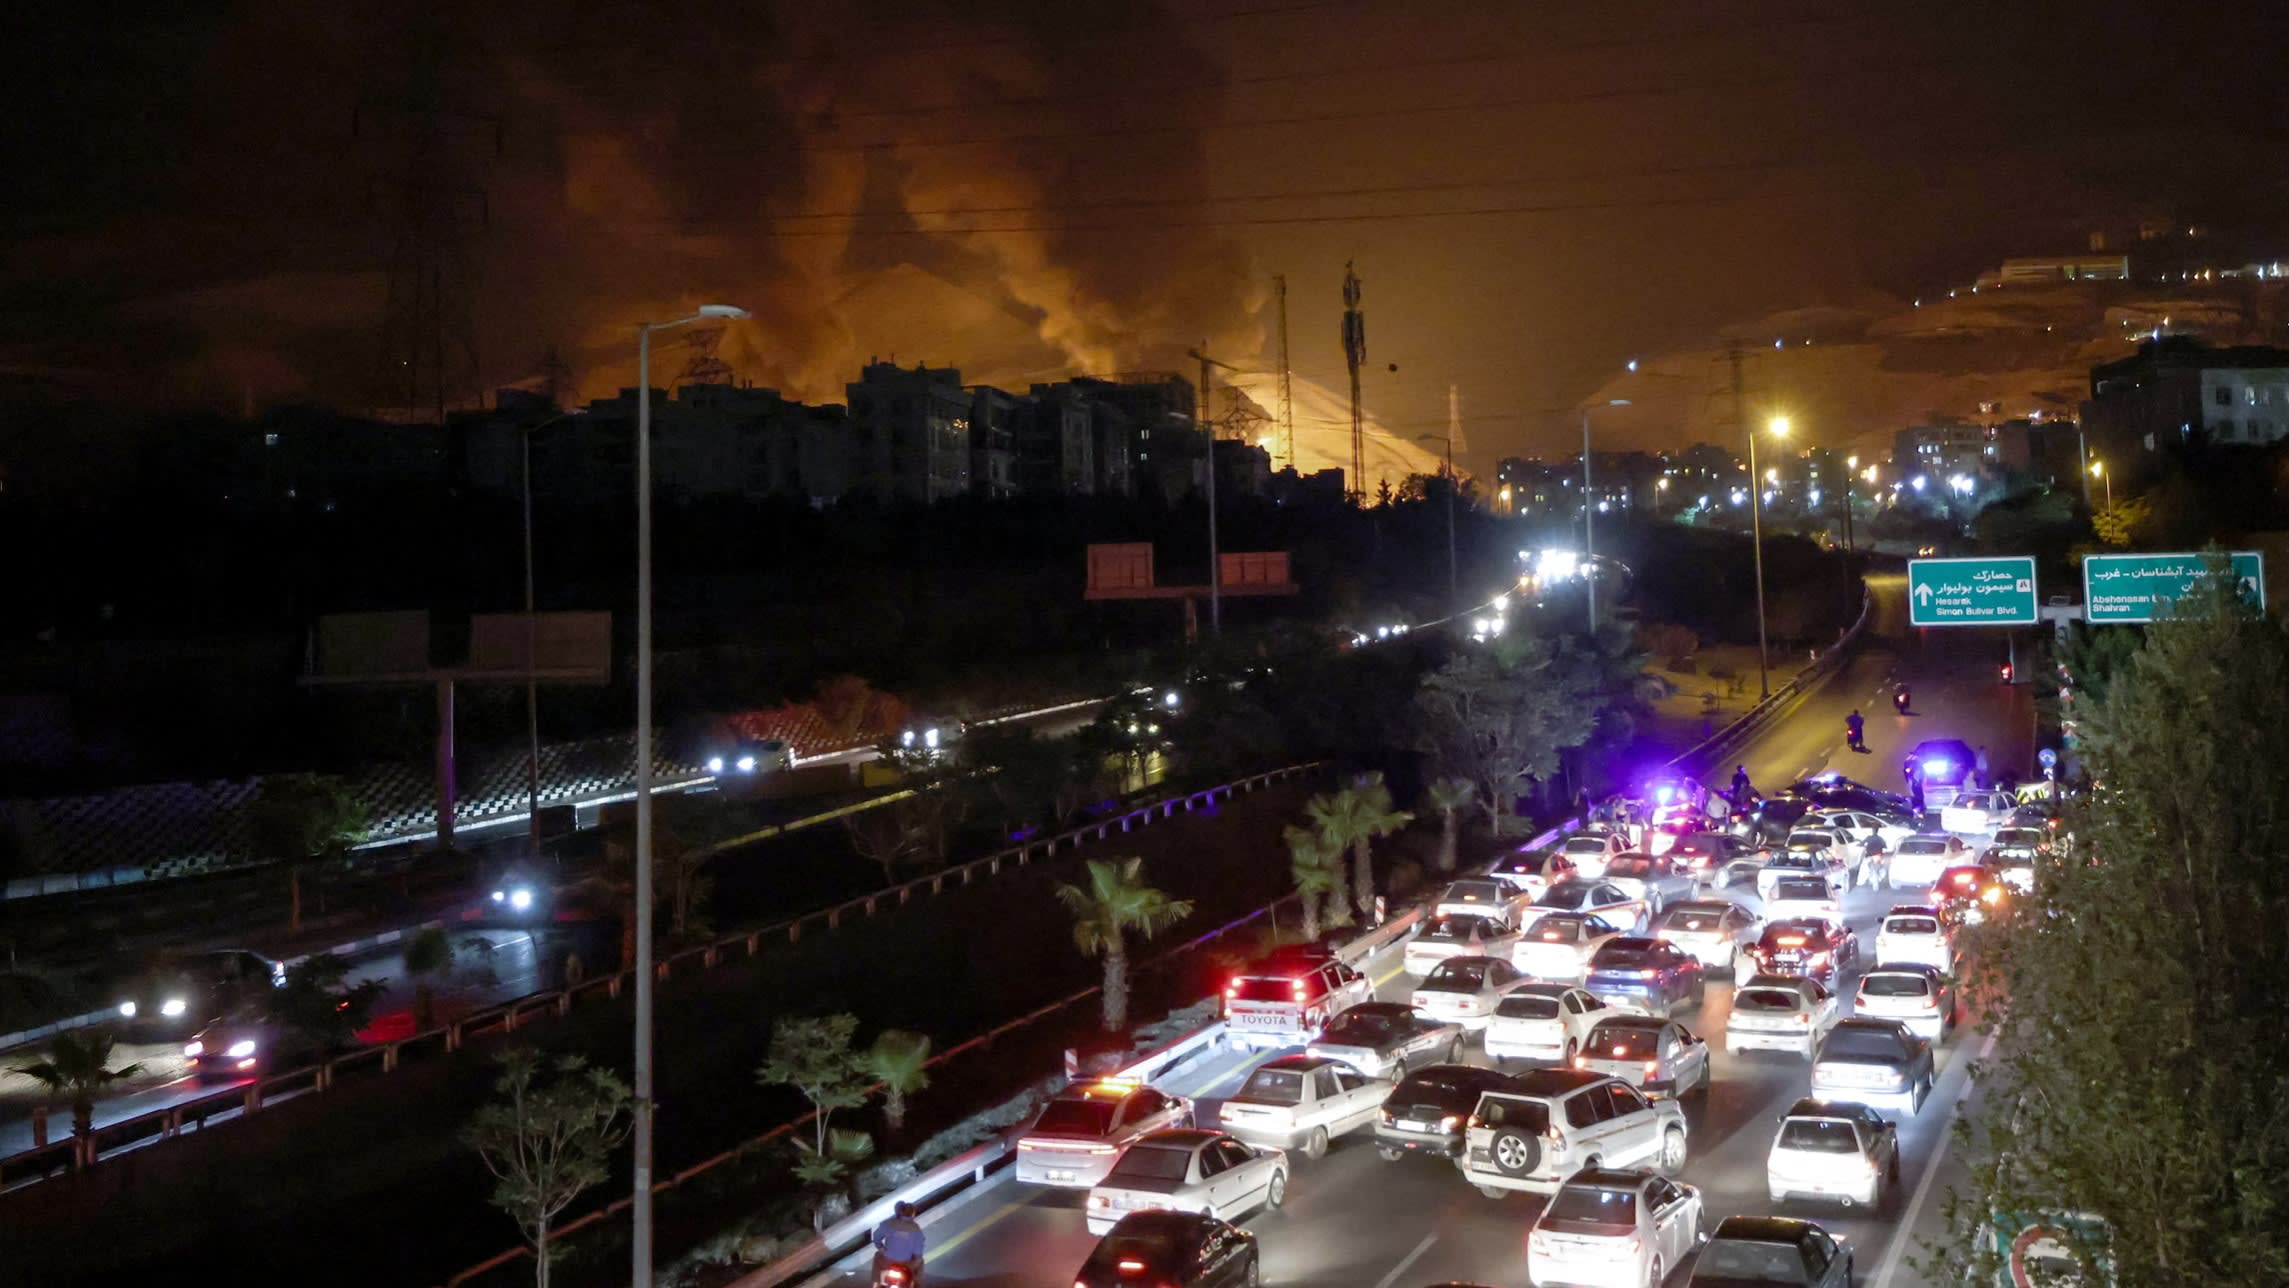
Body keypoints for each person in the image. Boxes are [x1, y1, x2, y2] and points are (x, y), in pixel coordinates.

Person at [873, 1200, 926, 1284]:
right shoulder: (916, 1229)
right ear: (913, 1214)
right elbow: (918, 1252)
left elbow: (876, 1237)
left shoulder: (889, 1223)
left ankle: (875, 1284)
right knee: (920, 1261)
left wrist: (881, 1247)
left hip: (887, 1261)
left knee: (877, 1256)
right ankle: (917, 1283)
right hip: (906, 1264)